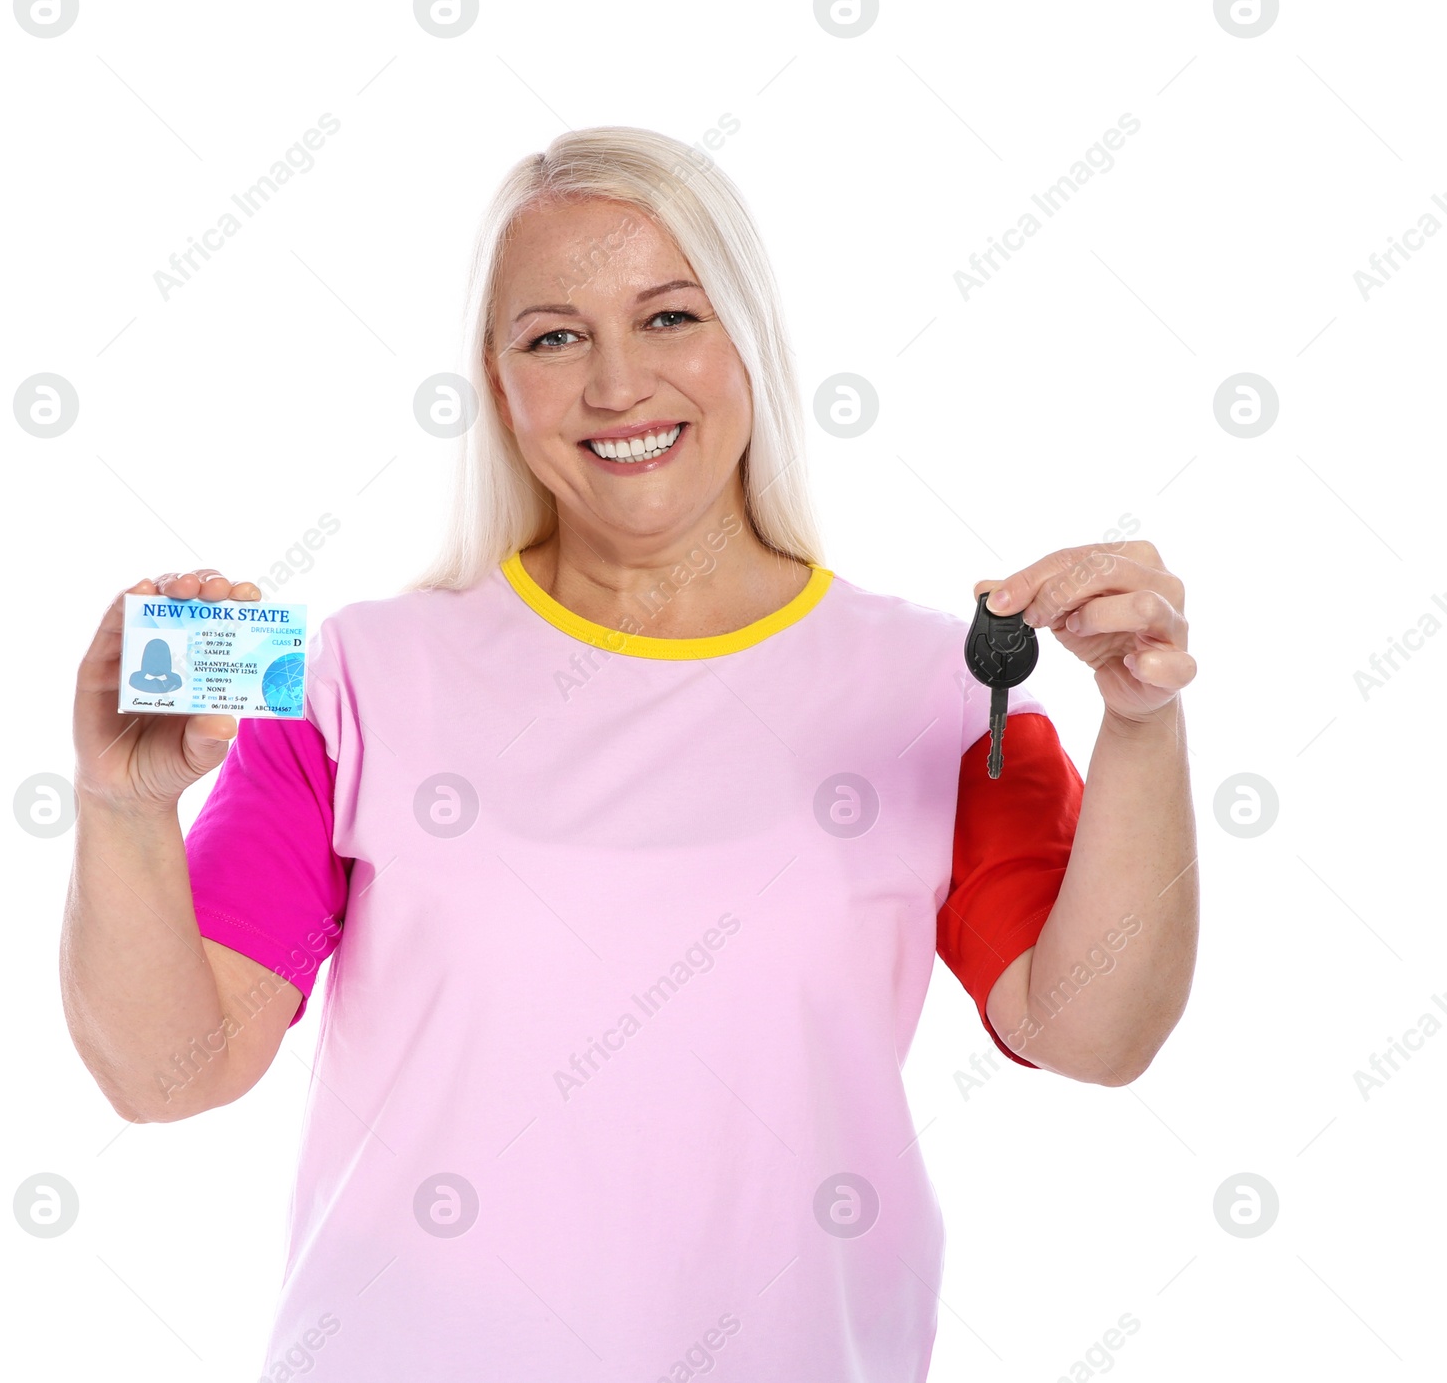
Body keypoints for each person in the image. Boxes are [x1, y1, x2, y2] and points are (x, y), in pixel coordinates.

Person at [62, 127, 1198, 1382]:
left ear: (750, 344)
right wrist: (122, 808)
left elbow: (1093, 1035)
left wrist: (1140, 728)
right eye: (553, 337)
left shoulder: (940, 691)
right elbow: (171, 1073)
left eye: (668, 318)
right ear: (498, 387)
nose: (616, 385)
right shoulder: (352, 680)